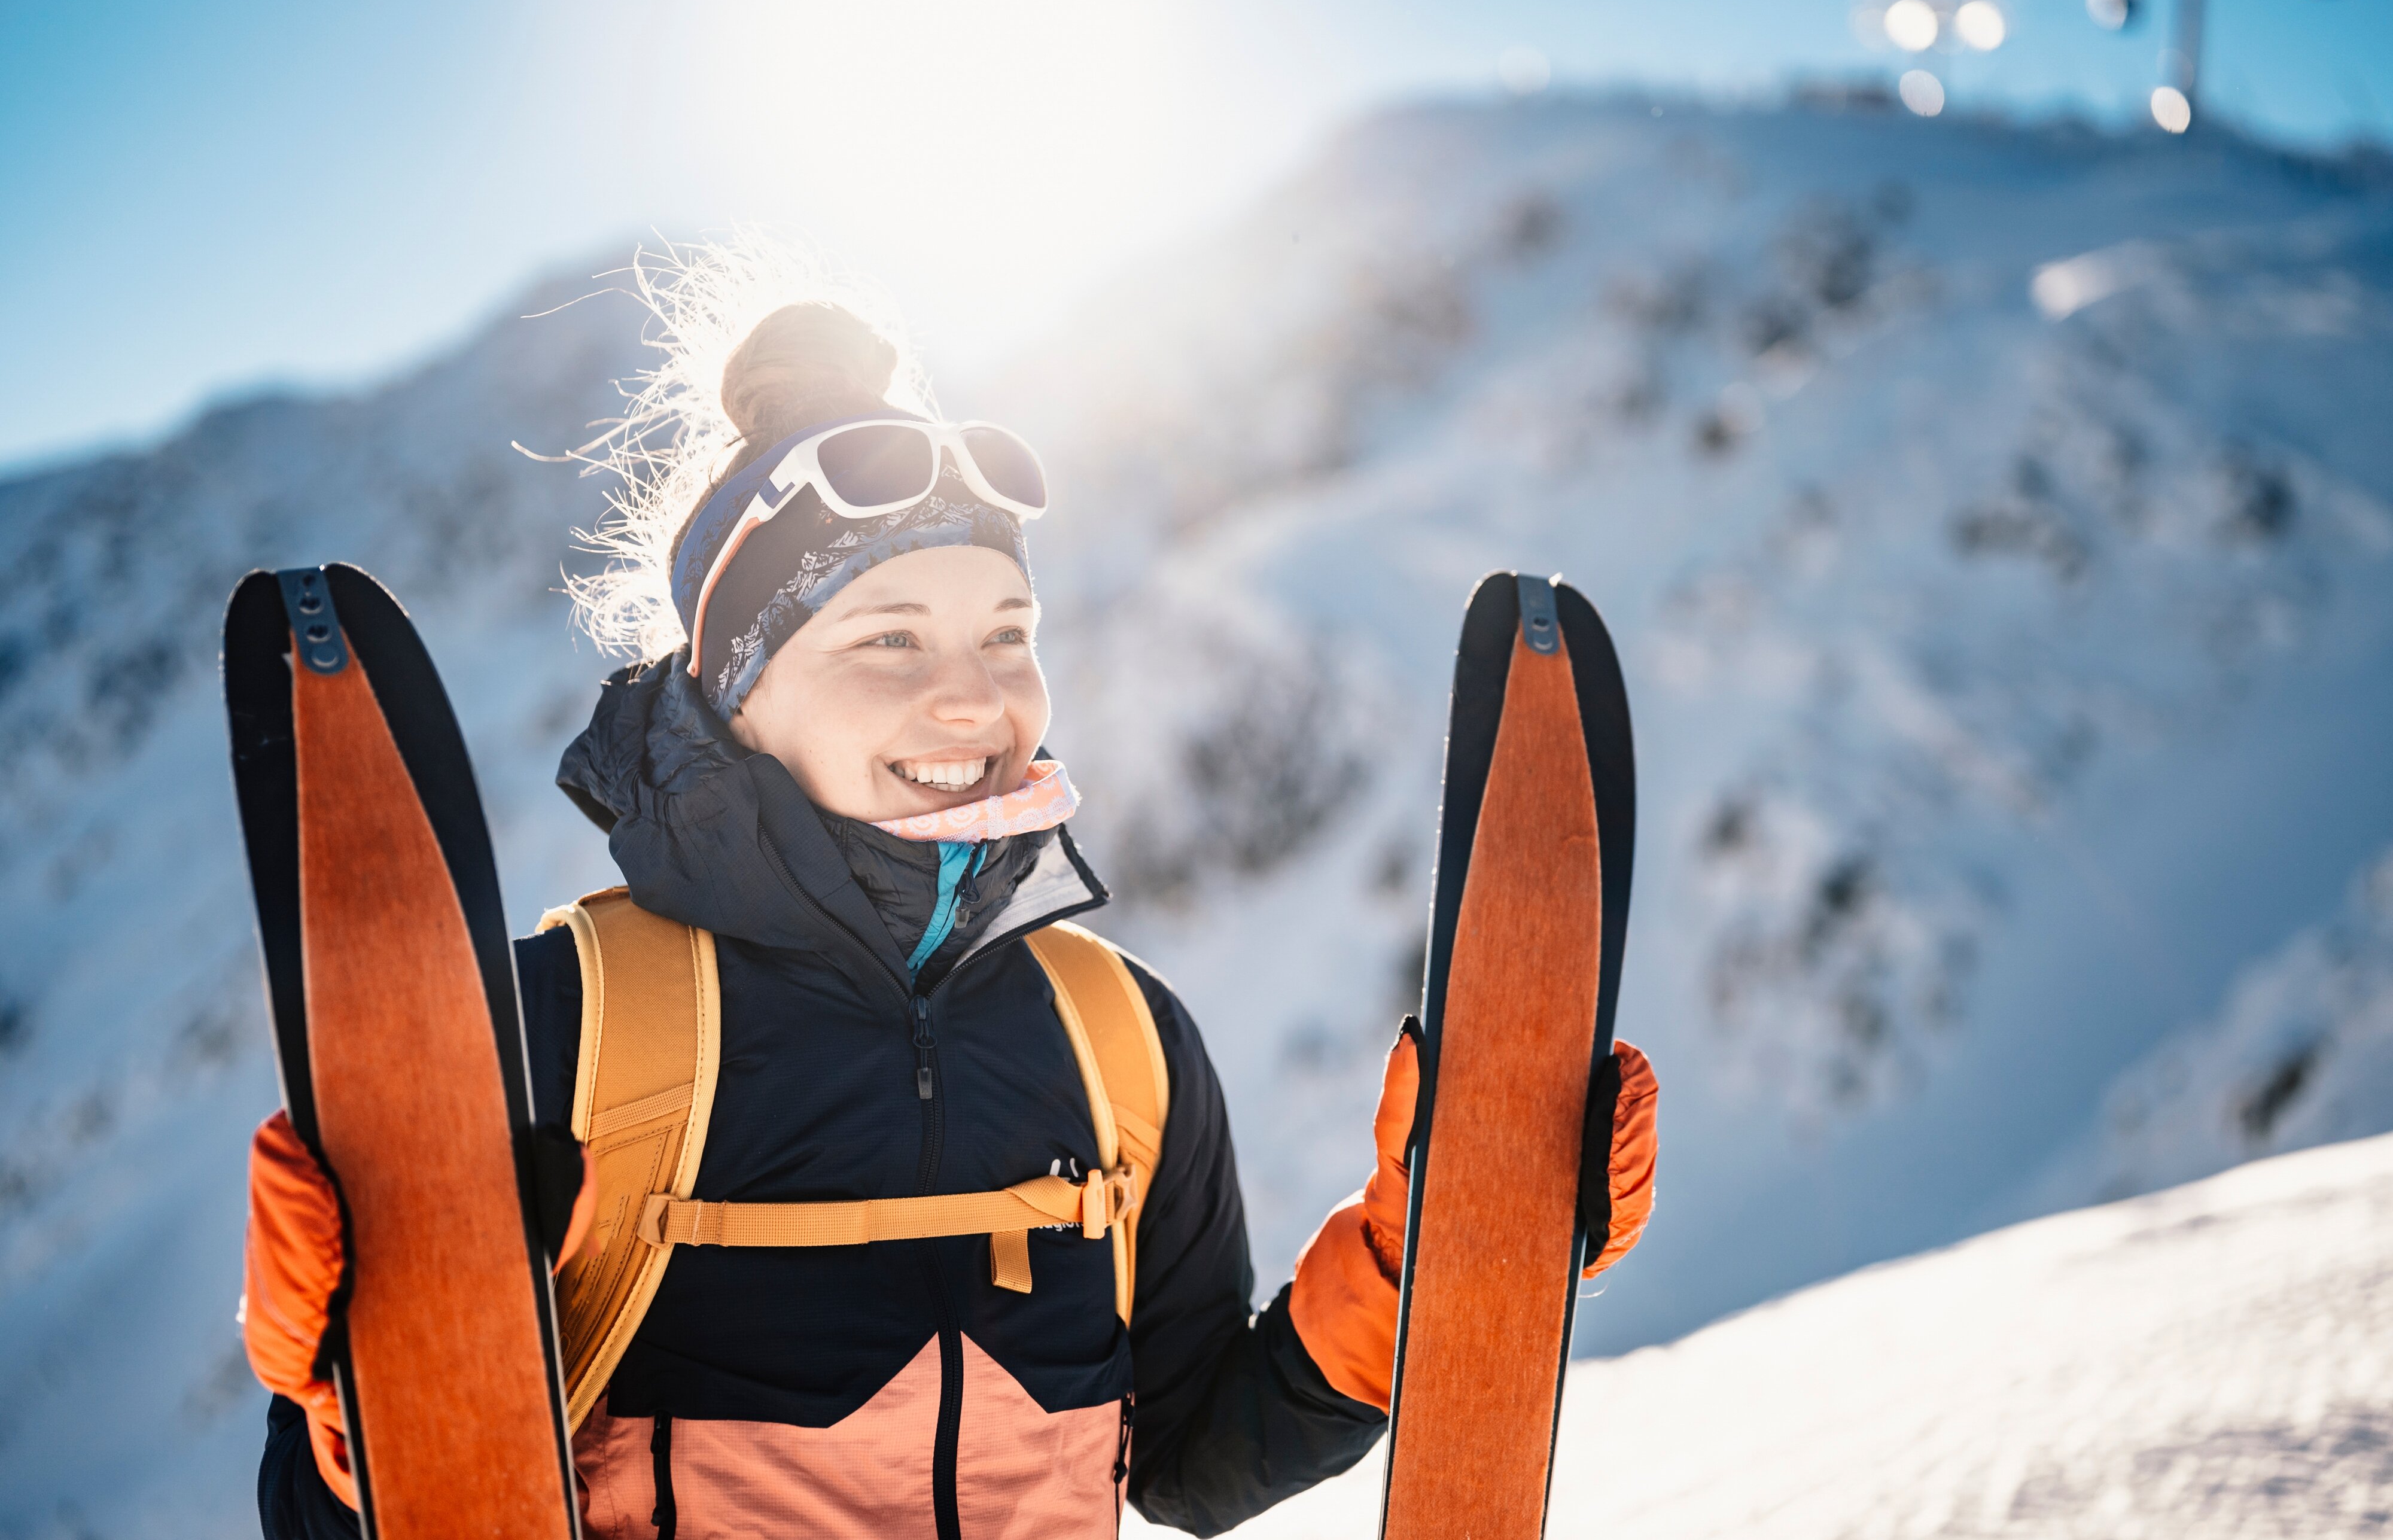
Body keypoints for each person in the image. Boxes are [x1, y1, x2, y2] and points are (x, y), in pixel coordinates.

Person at [238, 251, 1660, 1540]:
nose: (972, 691)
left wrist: (1418, 1268)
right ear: (738, 693)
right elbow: (386, 1509)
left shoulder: (1117, 1042)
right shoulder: (557, 1031)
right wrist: (360, 1404)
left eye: (1006, 629)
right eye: (887, 635)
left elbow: (1185, 1454)